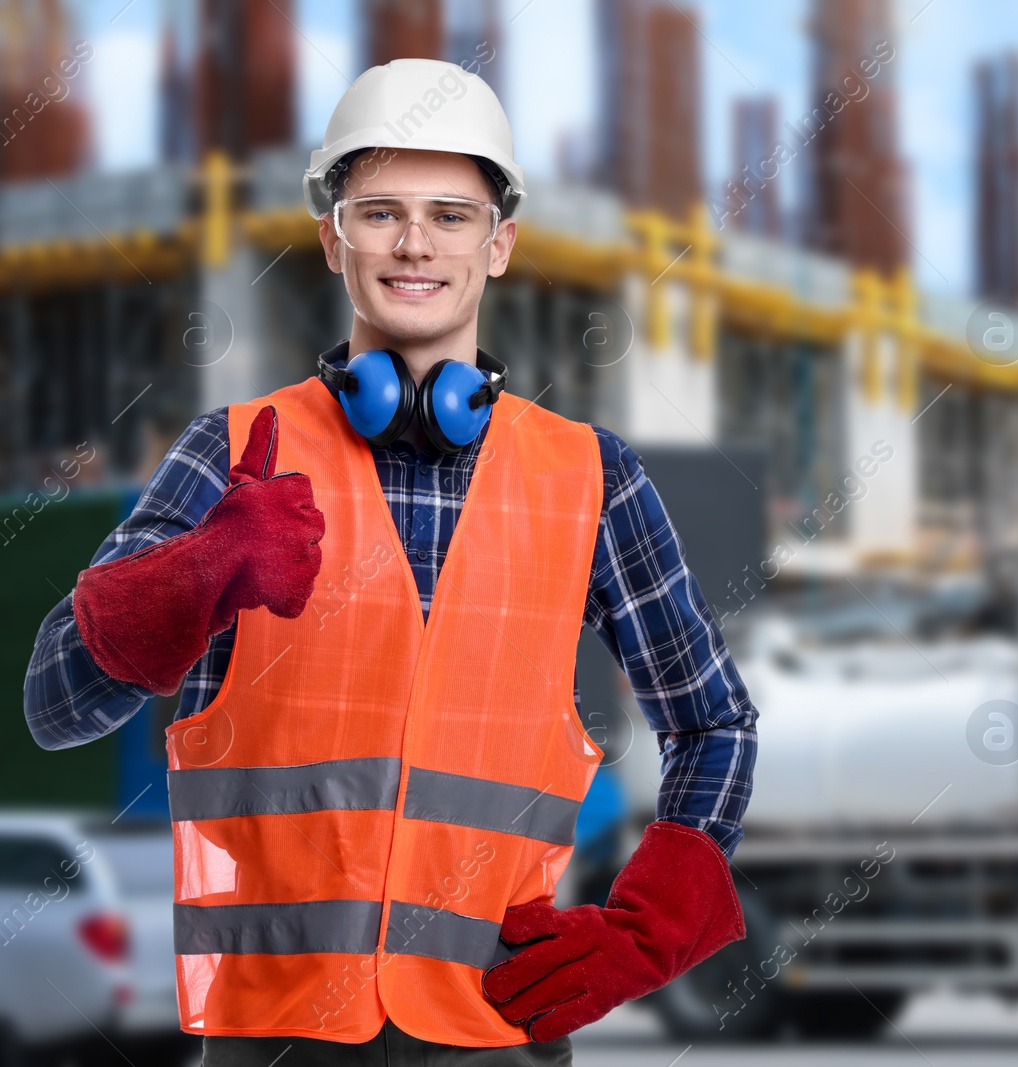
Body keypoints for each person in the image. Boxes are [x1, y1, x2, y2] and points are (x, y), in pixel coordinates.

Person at [22, 58, 756, 1067]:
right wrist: (197, 570)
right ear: (333, 237)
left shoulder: (593, 478)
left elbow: (713, 720)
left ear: (499, 246)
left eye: (451, 216)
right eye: (381, 212)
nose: (415, 243)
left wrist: (647, 925)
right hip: (269, 1035)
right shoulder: (233, 454)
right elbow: (55, 705)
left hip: (491, 1029)